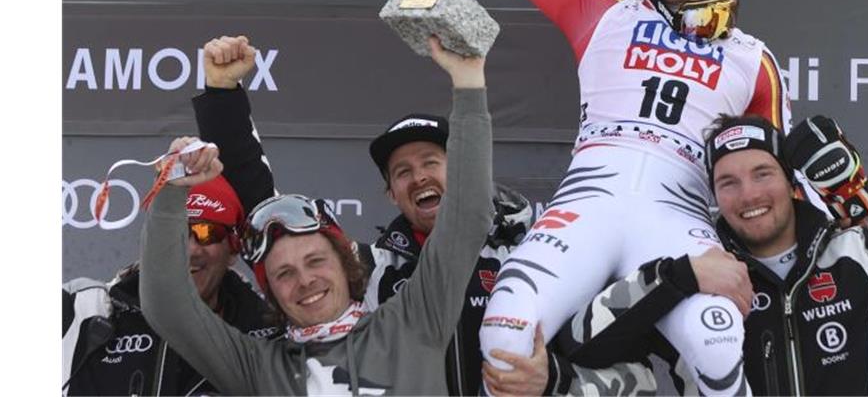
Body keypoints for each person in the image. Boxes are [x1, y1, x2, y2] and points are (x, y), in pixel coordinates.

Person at [472, 0, 794, 394]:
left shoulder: (753, 59)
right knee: (506, 336)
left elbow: (770, 187)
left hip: (677, 222)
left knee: (720, 341)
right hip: (588, 204)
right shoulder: (601, 13)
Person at [551, 45, 868, 395]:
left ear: (793, 184)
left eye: (761, 174)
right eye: (728, 182)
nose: (748, 194)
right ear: (712, 195)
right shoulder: (691, 280)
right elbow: (579, 344)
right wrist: (680, 278)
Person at [196, 32, 656, 395]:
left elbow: (633, 366)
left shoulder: (540, 252)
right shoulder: (368, 272)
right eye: (402, 172)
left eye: (431, 163)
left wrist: (553, 380)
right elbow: (267, 213)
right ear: (390, 194)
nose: (418, 178)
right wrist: (222, 96)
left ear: (465, 171)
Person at [140, 35, 494, 395]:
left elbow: (467, 216)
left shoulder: (410, 323)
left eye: (316, 260)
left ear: (347, 264)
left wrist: (469, 85)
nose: (305, 280)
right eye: (284, 274)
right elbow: (168, 306)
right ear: (271, 293)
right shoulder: (257, 367)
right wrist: (171, 189)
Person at [62, 175, 276, 395]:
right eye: (176, 232)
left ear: (232, 249)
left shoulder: (271, 335)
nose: (191, 250)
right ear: (153, 240)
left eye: (207, 232)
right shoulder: (82, 310)